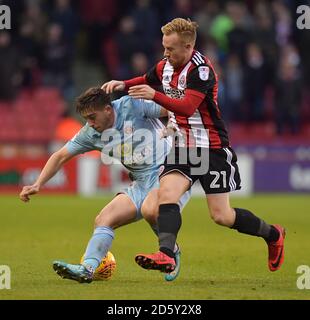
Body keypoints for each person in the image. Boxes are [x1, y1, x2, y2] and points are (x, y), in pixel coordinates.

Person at [102, 18, 286, 275]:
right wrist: (124, 84)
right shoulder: (165, 65)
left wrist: (154, 95)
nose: (165, 54)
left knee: (221, 215)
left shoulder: (201, 71)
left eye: (171, 49)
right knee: (167, 195)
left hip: (211, 147)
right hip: (182, 147)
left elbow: (188, 106)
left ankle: (273, 233)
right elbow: (147, 77)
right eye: (164, 47)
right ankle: (167, 254)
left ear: (188, 47)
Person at [19, 87, 190, 283]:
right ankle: (87, 269)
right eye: (86, 119)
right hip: (140, 182)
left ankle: (169, 251)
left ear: (108, 109)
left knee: (150, 210)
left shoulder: (132, 105)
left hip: (167, 171)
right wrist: (37, 183)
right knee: (104, 219)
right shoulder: (90, 133)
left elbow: (175, 109)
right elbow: (60, 156)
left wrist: (175, 131)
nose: (90, 124)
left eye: (92, 117)